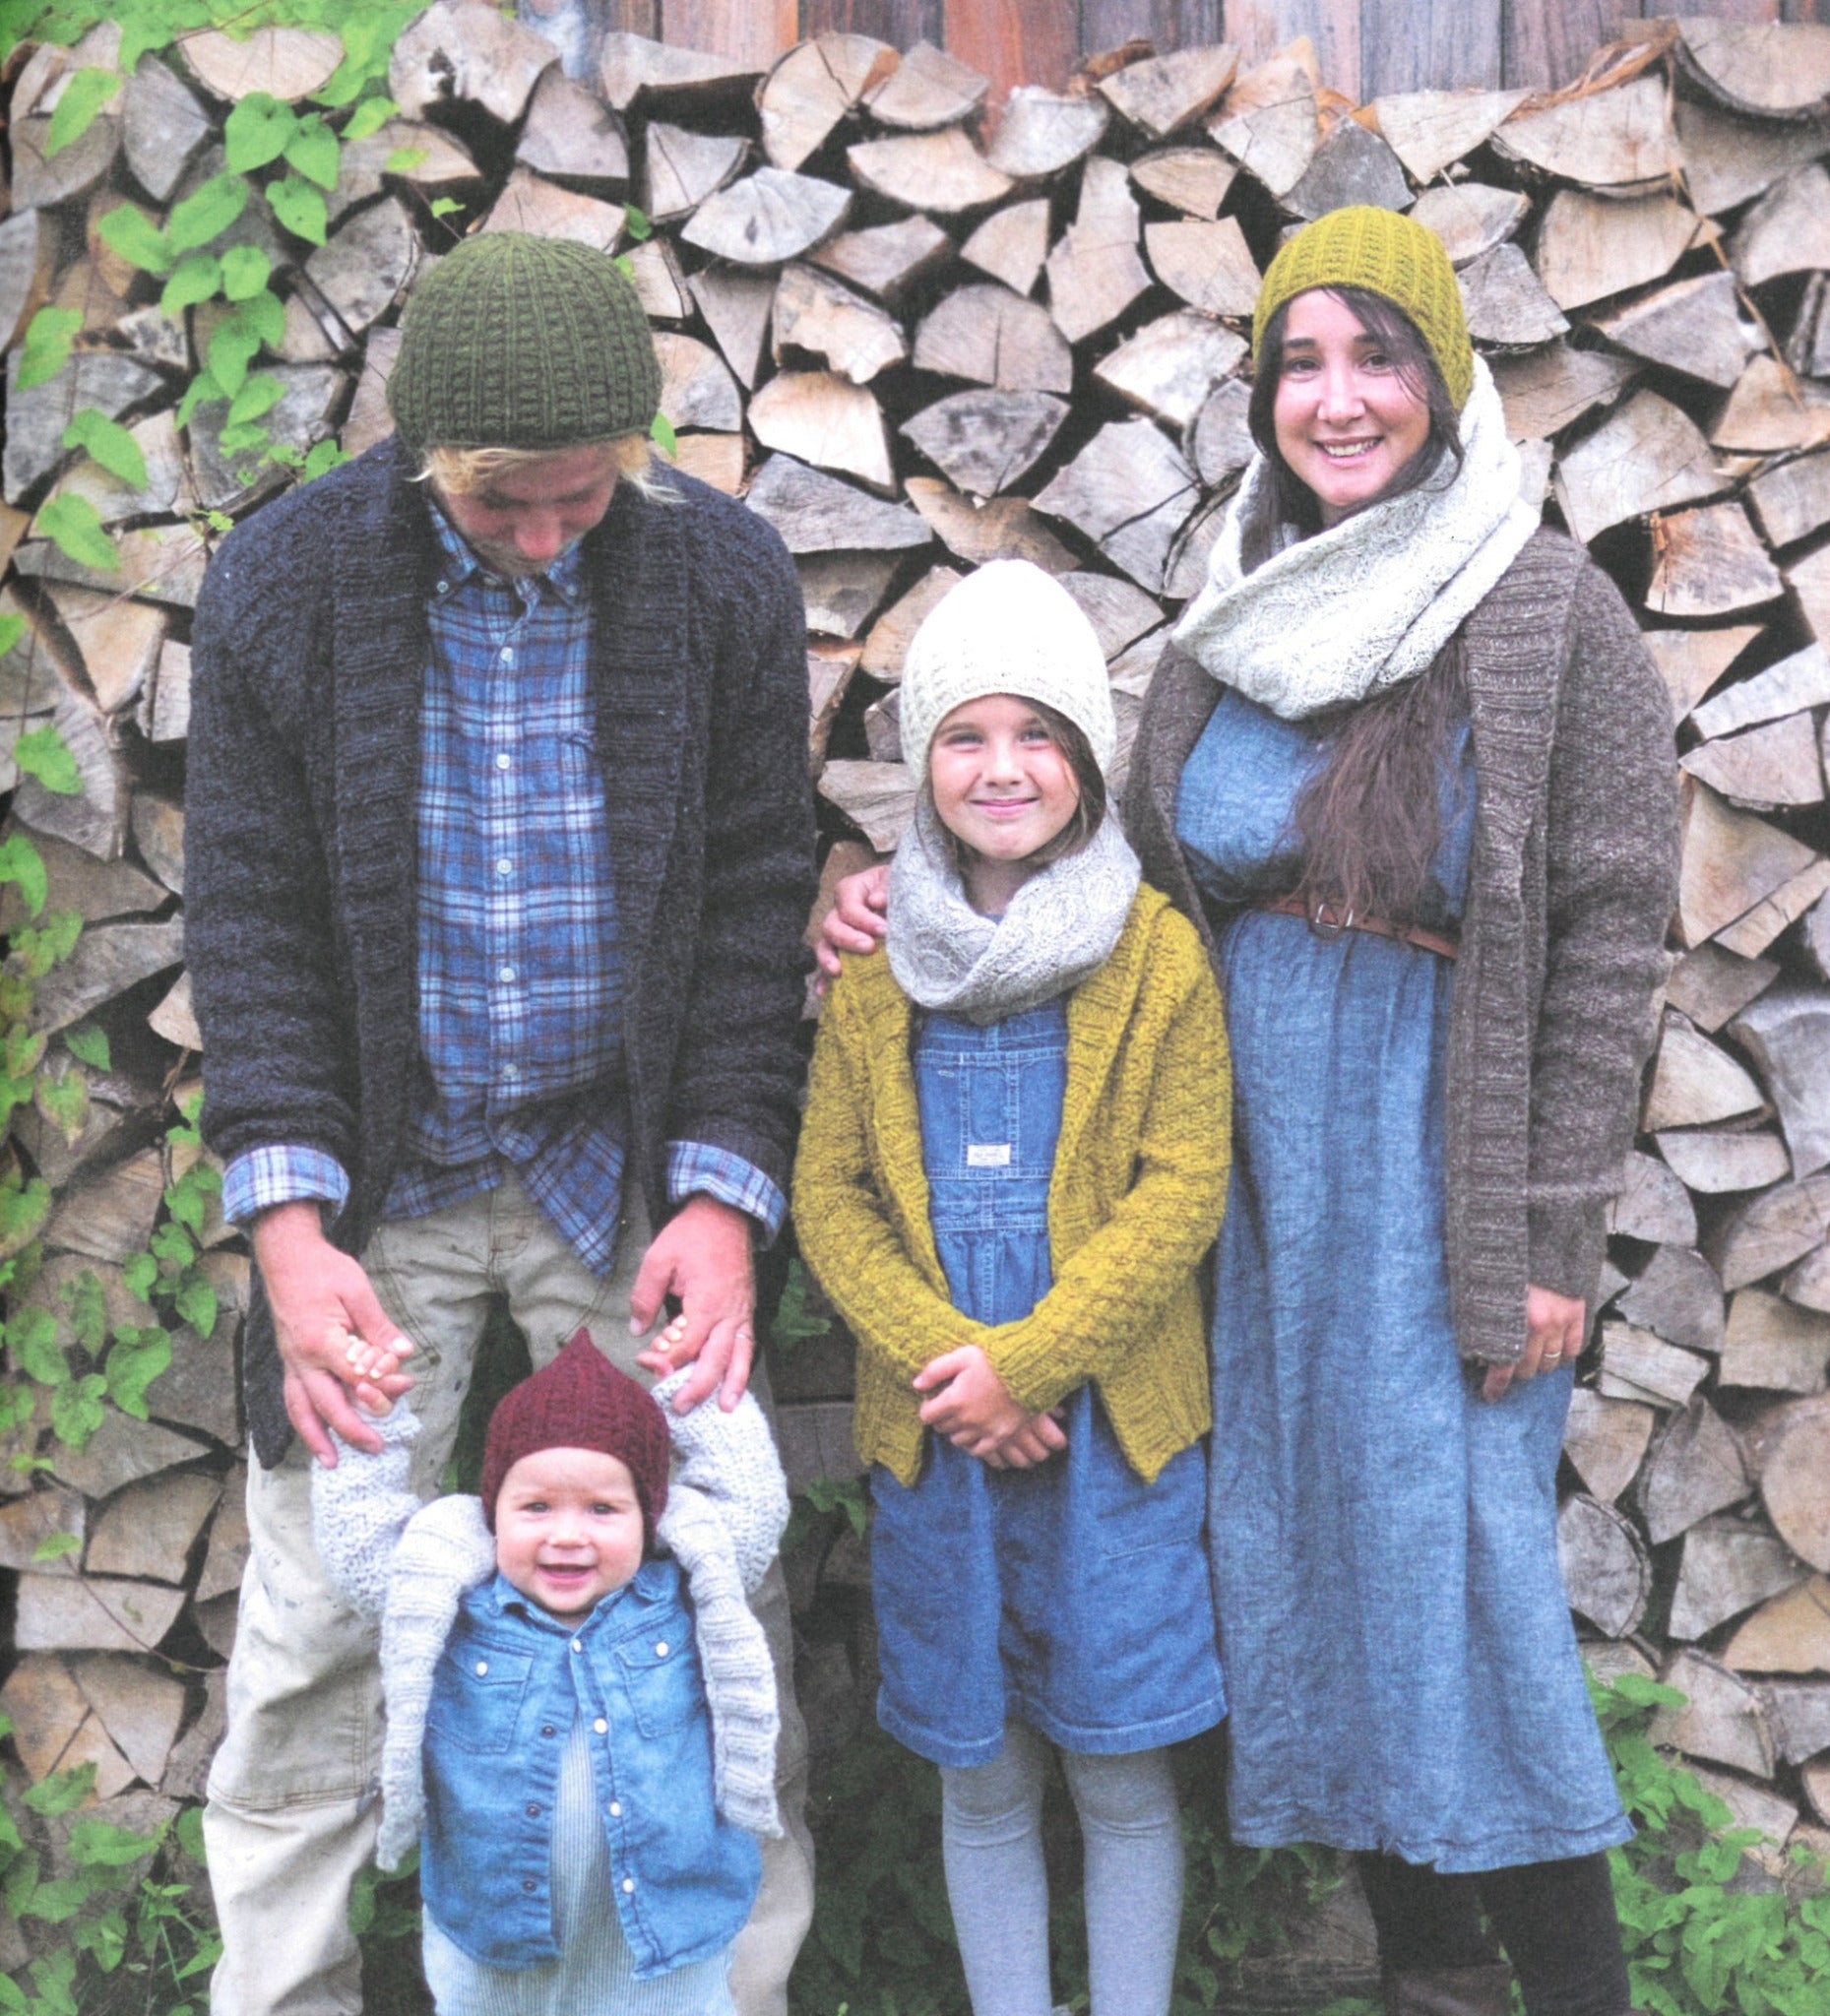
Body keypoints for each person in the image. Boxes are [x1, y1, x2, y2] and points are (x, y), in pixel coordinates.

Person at [818, 209, 1679, 2016]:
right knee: (1316, 1572)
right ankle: (1427, 1981)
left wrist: (1540, 1233)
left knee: (1463, 1591)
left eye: (1376, 355)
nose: (1337, 396)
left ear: (1443, 380)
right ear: (1259, 391)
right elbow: (1090, 878)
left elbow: (1606, 935)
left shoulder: (1538, 608)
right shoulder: (1232, 611)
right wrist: (875, 907)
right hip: (1248, 1174)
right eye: (1300, 360)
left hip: (1434, 1170)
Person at [187, 230, 816, 2016]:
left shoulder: (718, 575)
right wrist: (291, 1239)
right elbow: (249, 919)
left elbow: (758, 887)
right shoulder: (283, 586)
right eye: (504, 509)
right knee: (318, 1632)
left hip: (621, 1178)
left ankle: (716, 1990)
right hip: (380, 1183)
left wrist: (718, 1195)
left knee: (710, 1598)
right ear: (423, 459)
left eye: (581, 500)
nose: (549, 535)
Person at [794, 560, 1232, 2016]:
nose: (1000, 768)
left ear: (1088, 763)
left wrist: (1029, 1367)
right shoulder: (870, 969)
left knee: (1115, 1772)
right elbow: (831, 1197)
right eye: (963, 737)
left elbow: (1181, 1188)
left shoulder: (1154, 957)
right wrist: (953, 1374)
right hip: (939, 1442)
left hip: (1110, 1435)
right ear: (919, 764)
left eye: (1036, 734)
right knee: (979, 1780)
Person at [309, 1332, 789, 2016]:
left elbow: (752, 1503)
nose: (567, 1534)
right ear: (492, 1512)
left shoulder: (686, 1596)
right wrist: (372, 1415)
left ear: (650, 1514)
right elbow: (360, 1544)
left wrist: (698, 1391)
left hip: (663, 1945)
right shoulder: (448, 1606)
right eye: (535, 1508)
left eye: (603, 1509)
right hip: (501, 1948)